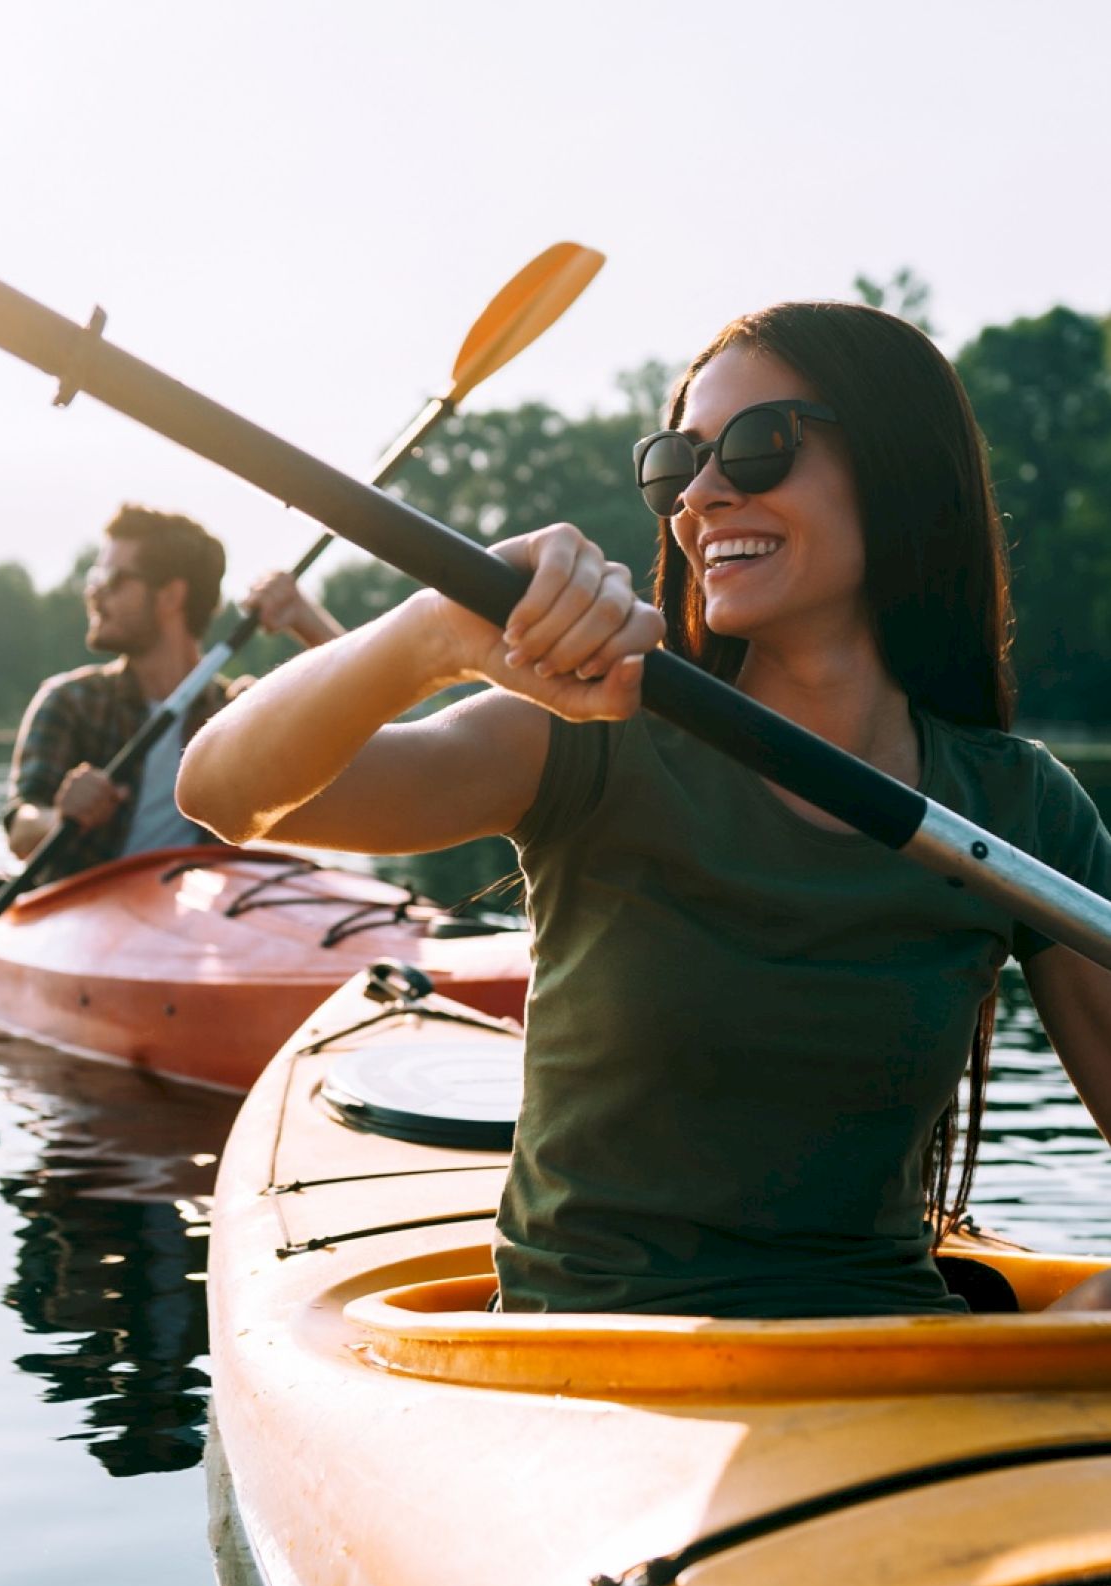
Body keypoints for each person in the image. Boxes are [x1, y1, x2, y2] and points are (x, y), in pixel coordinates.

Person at [177, 301, 1111, 1318]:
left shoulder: (1017, 807)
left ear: (898, 466)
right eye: (677, 464)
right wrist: (434, 634)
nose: (701, 497)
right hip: (589, 1368)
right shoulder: (590, 729)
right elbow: (221, 790)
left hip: (895, 1368)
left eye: (758, 448)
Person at [5, 504, 341, 881]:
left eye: (112, 579)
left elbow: (363, 711)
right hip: (80, 912)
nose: (94, 593)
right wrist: (61, 817)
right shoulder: (70, 702)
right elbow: (21, 830)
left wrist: (303, 617)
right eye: (94, 576)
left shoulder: (236, 713)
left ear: (170, 597)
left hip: (195, 918)